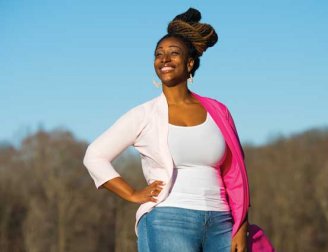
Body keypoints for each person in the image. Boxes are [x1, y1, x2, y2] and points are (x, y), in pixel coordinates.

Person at [83, 8, 251, 252]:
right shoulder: (144, 114)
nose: (165, 59)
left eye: (174, 53)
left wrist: (241, 224)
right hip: (168, 219)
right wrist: (132, 193)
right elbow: (94, 155)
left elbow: (236, 172)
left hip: (221, 222)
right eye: (159, 54)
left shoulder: (219, 111)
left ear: (190, 62)